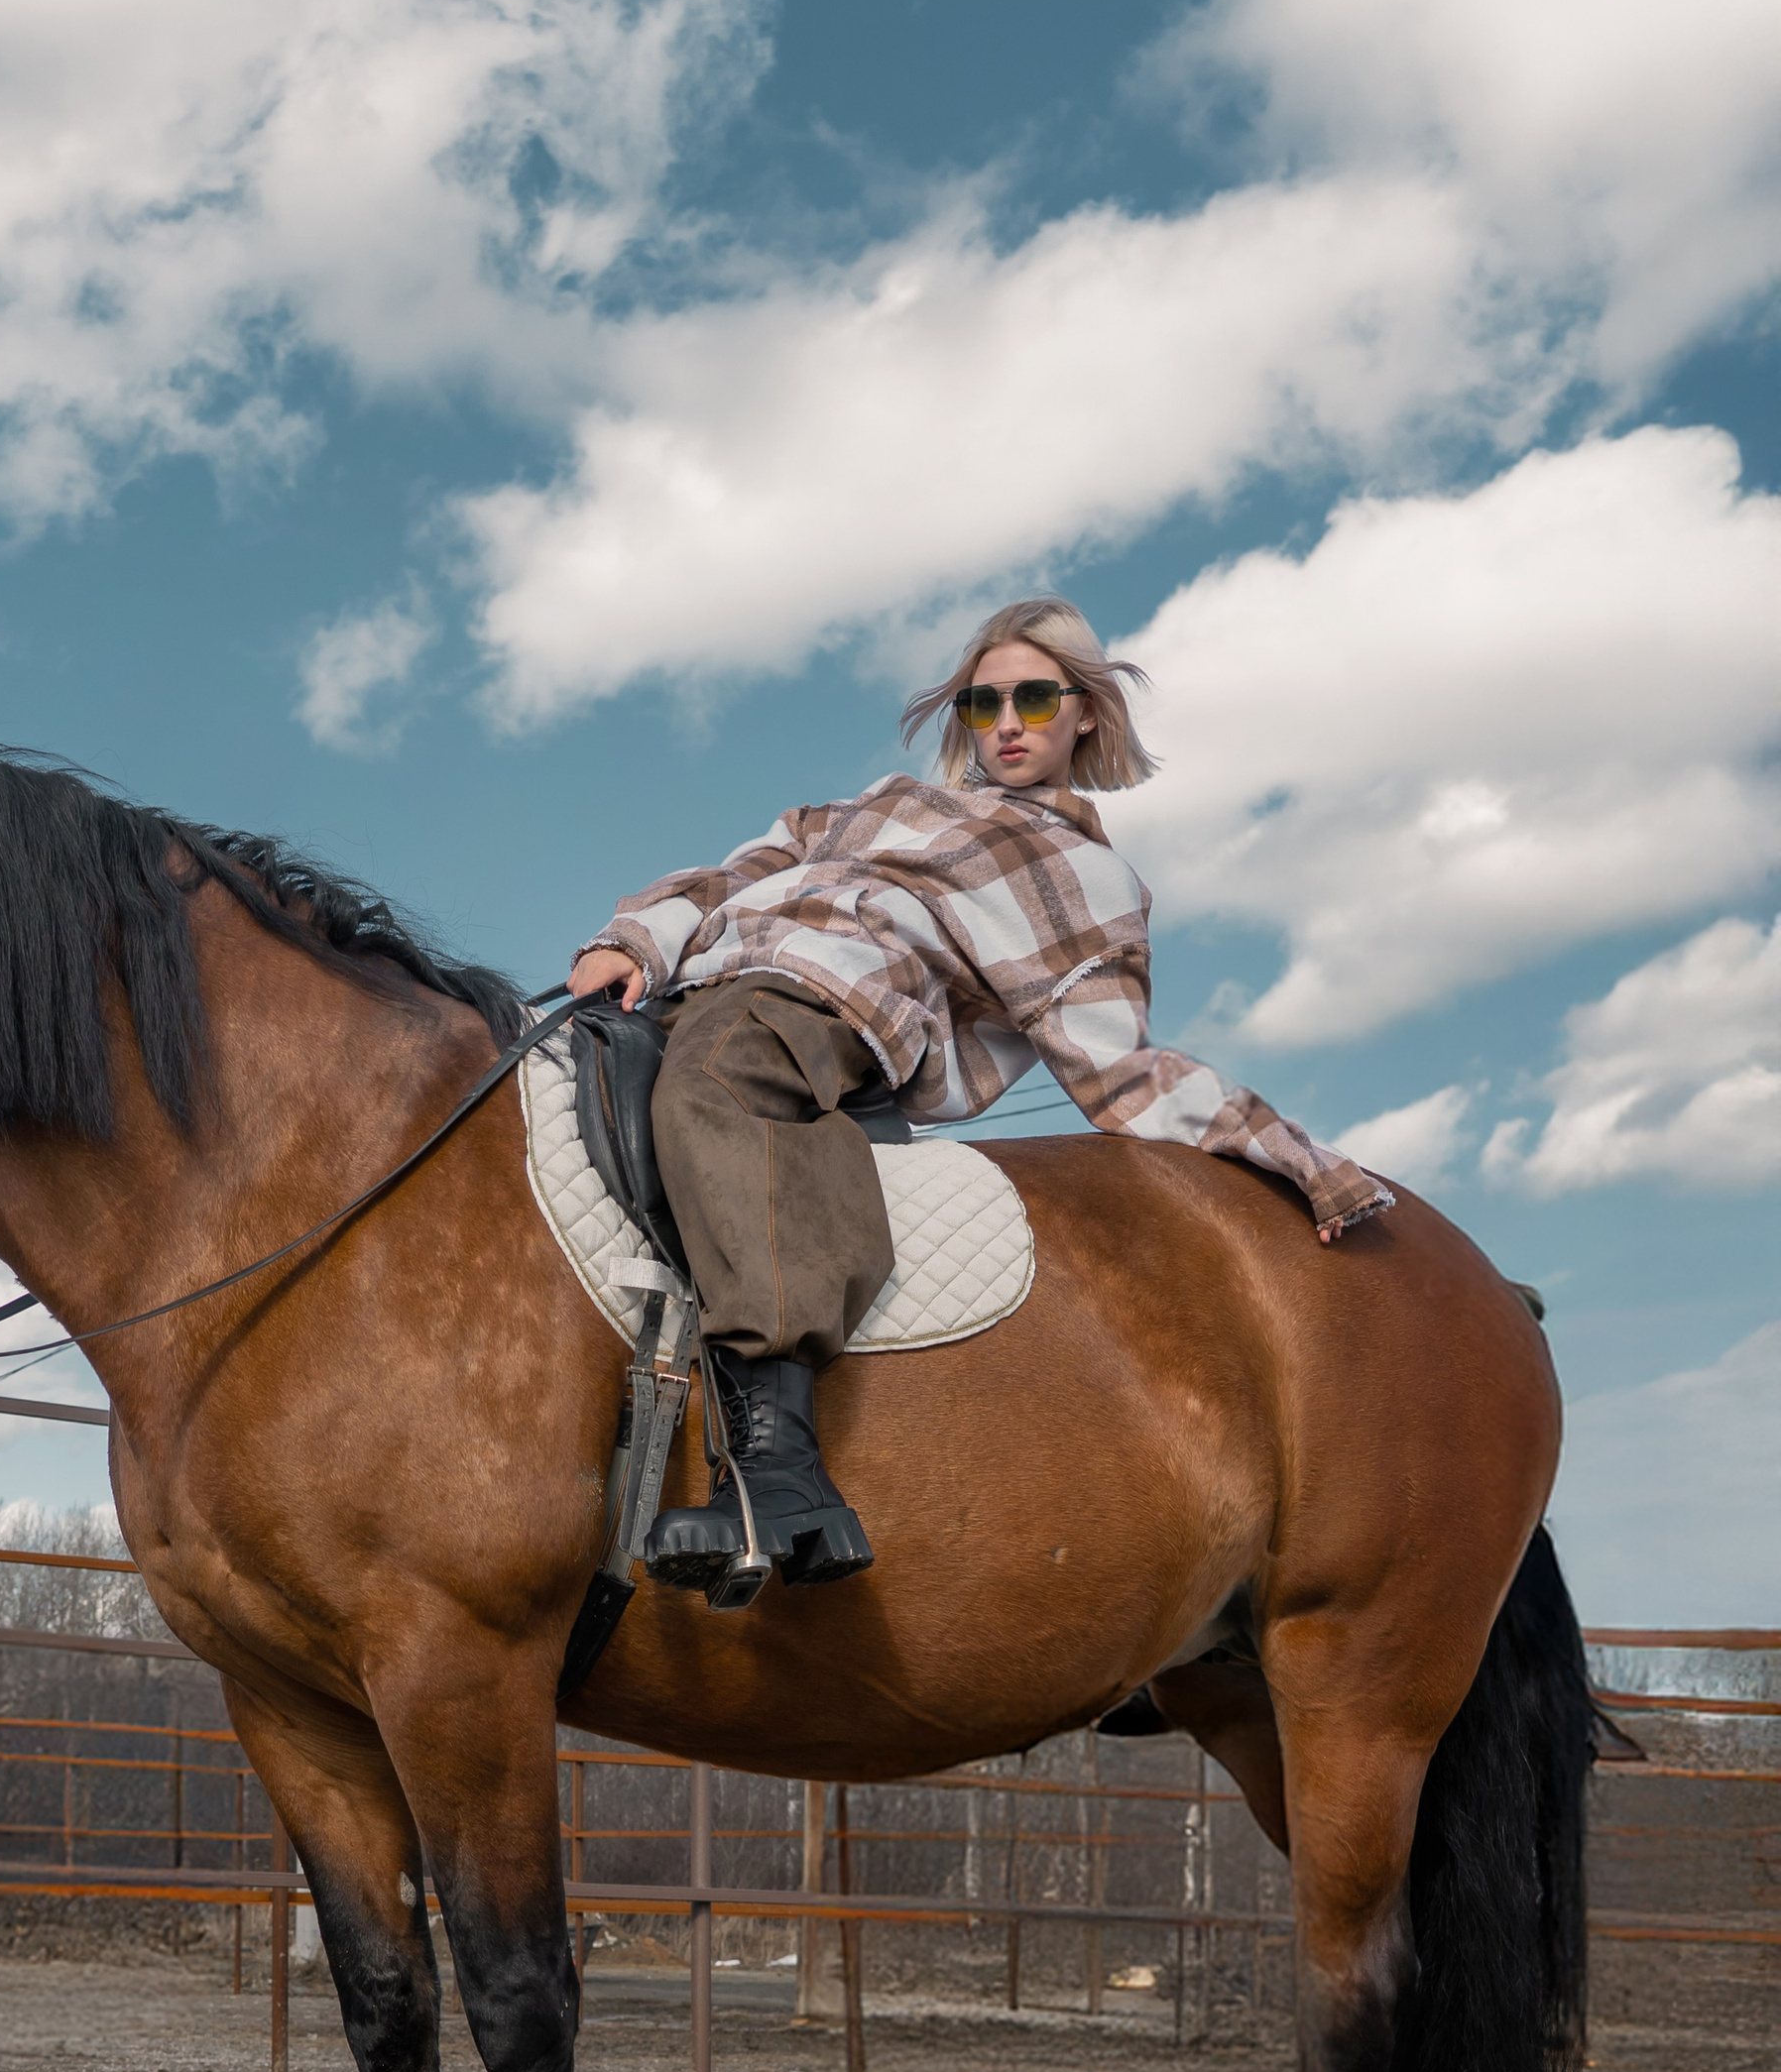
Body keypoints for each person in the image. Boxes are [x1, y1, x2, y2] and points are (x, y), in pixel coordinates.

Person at [566, 594, 1393, 1599]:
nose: (1006, 723)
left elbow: (1118, 1067)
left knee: (713, 1087)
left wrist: (1303, 1163)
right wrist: (631, 939)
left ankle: (776, 1468)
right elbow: (737, 870)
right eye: (982, 701)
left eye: (1035, 698)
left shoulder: (1083, 876)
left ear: (1086, 710)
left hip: (828, 1001)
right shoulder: (880, 802)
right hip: (696, 985)